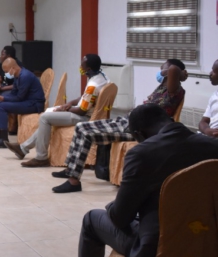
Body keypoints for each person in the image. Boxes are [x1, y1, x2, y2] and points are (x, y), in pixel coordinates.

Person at [57, 104, 218, 257]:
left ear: (138, 134)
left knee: (91, 220)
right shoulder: (212, 146)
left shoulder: (142, 153)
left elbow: (120, 218)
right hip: (206, 236)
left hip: (158, 243)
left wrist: (112, 206)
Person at [52, 58, 187, 193]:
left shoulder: (174, 90)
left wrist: (180, 73)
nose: (160, 72)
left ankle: (73, 181)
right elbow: (172, 71)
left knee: (84, 132)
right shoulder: (163, 87)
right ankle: (71, 170)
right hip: (128, 121)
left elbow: (173, 69)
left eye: (163, 69)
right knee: (81, 127)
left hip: (139, 129)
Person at [5, 54, 109, 167]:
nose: (80, 66)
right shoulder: (102, 77)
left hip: (84, 117)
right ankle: (23, 148)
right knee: (49, 115)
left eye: (82, 65)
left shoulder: (93, 85)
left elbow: (82, 111)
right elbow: (85, 97)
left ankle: (41, 157)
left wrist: (65, 109)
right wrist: (69, 103)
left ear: (88, 69)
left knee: (44, 117)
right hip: (86, 112)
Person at [0, 57, 45, 147]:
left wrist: (1, 98)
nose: (6, 74)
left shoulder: (25, 76)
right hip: (26, 101)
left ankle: (3, 139)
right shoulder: (18, 75)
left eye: (6, 71)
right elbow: (14, 93)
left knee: (1, 106)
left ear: (13, 68)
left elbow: (19, 97)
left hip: (34, 104)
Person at [199, 59, 218, 138]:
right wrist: (207, 130)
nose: (210, 73)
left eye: (214, 71)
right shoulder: (215, 95)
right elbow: (203, 122)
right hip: (209, 137)